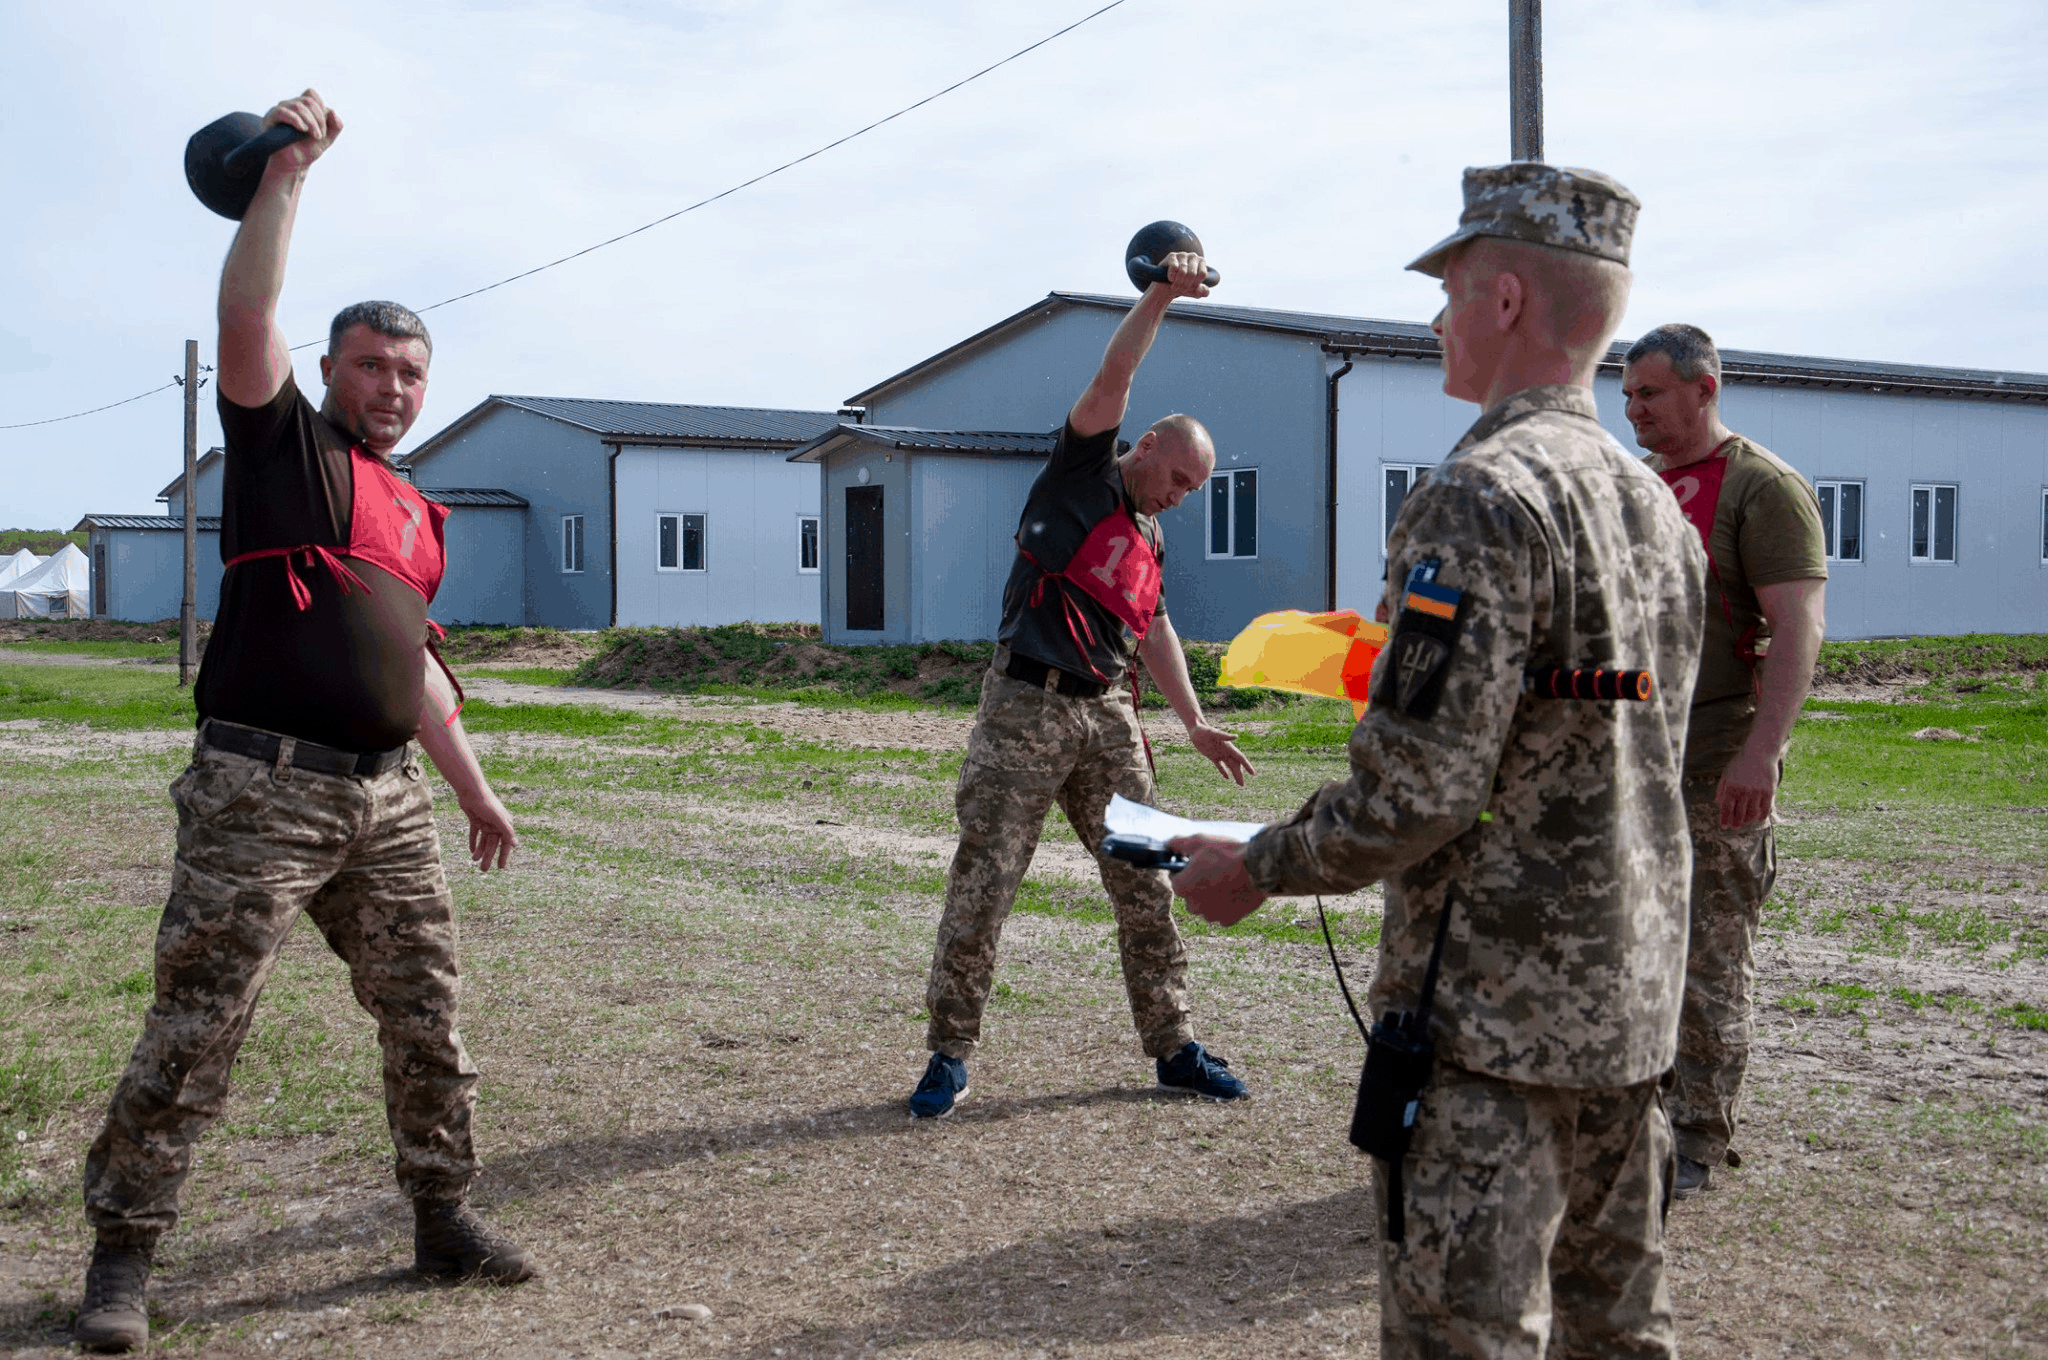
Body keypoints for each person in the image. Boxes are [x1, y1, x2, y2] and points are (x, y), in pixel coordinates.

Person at [1170, 164, 1706, 1358]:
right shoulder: (1654, 509)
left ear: (1505, 298)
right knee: (1618, 1333)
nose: (1434, 319)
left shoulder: (1478, 498)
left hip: (1490, 1030)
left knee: (1461, 1336)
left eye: (1451, 289)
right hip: (1627, 1012)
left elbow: (1421, 786)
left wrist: (1256, 863)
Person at [73, 90, 533, 1354]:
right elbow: (244, 313)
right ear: (331, 372)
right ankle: (123, 1255)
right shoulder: (286, 451)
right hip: (258, 791)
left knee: (427, 1011)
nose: (392, 386)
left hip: (385, 797)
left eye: (411, 372)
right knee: (200, 1019)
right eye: (372, 365)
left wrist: (473, 786)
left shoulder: (414, 511)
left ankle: (443, 1218)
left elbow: (420, 670)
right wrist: (287, 177)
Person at [906, 249, 1258, 1119]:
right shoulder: (1079, 476)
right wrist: (1161, 297)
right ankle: (949, 1056)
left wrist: (1195, 723)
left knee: (1148, 882)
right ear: (1144, 448)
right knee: (986, 880)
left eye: (1197, 488)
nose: (1183, 495)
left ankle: (1174, 1047)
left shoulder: (1151, 538)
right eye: (1179, 477)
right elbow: (1116, 371)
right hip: (1025, 706)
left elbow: (1158, 629)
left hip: (1106, 721)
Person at [1622, 324, 1828, 1199]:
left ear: (1706, 389)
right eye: (1627, 397)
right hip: (1631, 770)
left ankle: (1697, 1142)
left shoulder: (1760, 489)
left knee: (1707, 968)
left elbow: (1798, 630)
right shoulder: (1636, 488)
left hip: (1716, 768)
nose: (1634, 413)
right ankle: (1635, 1130)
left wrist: (1762, 755)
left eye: (1651, 396)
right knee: (1630, 958)